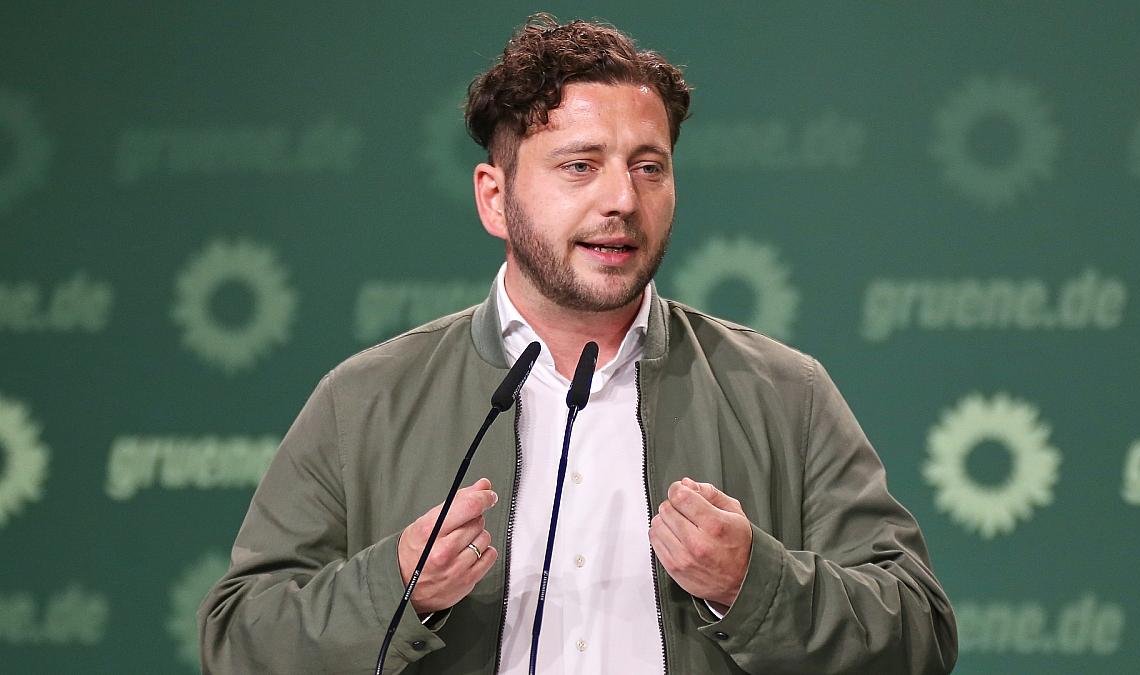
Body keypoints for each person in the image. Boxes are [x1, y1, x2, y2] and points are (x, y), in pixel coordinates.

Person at [198, 14, 957, 674]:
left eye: (648, 168)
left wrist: (752, 585)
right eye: (580, 166)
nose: (622, 199)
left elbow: (918, 632)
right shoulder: (363, 400)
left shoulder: (785, 393)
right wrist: (395, 589)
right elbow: (237, 641)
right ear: (495, 198)